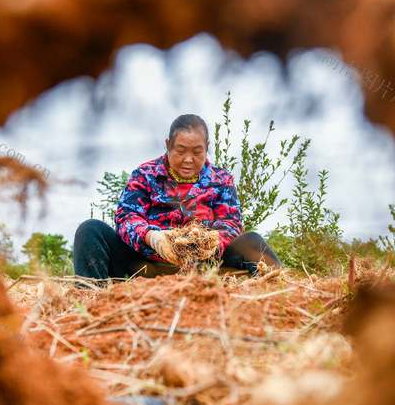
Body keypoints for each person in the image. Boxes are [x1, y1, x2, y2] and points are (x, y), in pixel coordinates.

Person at [72, 114, 283, 283]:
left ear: (207, 147)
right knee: (90, 230)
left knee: (253, 241)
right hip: (144, 265)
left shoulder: (221, 179)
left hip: (206, 266)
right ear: (168, 145)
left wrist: (211, 241)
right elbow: (126, 217)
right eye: (180, 151)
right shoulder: (145, 174)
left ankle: (283, 290)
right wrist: (152, 238)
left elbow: (231, 221)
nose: (188, 160)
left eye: (197, 152)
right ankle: (89, 297)